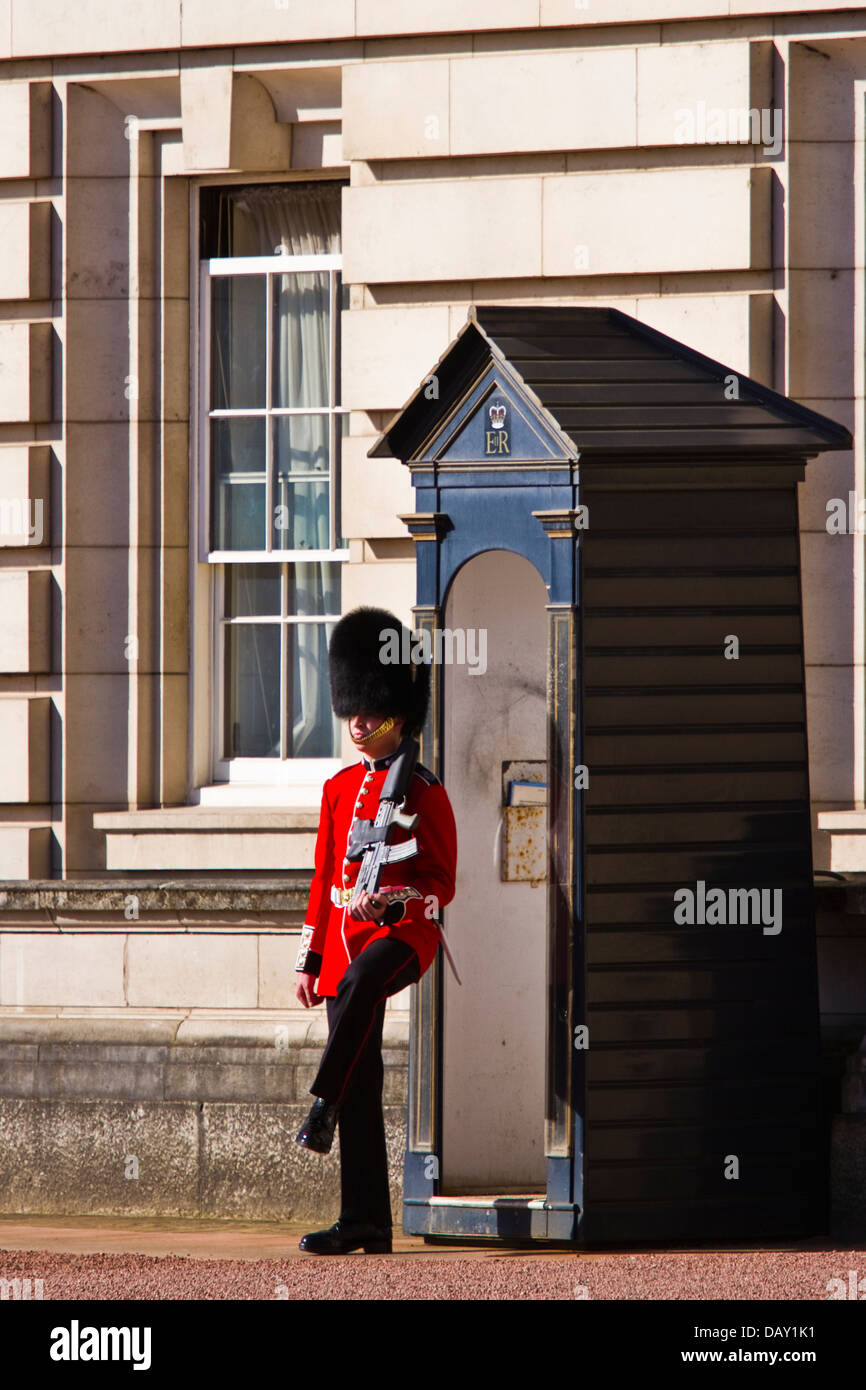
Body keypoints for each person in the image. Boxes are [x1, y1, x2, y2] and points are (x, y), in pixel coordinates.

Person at [294, 606, 458, 1255]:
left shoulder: (423, 790)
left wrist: (400, 899)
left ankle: (320, 1103)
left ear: (396, 712)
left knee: (365, 980)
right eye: (352, 712)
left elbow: (443, 882)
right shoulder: (338, 788)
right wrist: (309, 959)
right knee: (363, 1074)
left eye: (369, 711)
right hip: (342, 943)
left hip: (403, 939)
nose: (357, 723)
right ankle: (364, 1219)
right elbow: (321, 880)